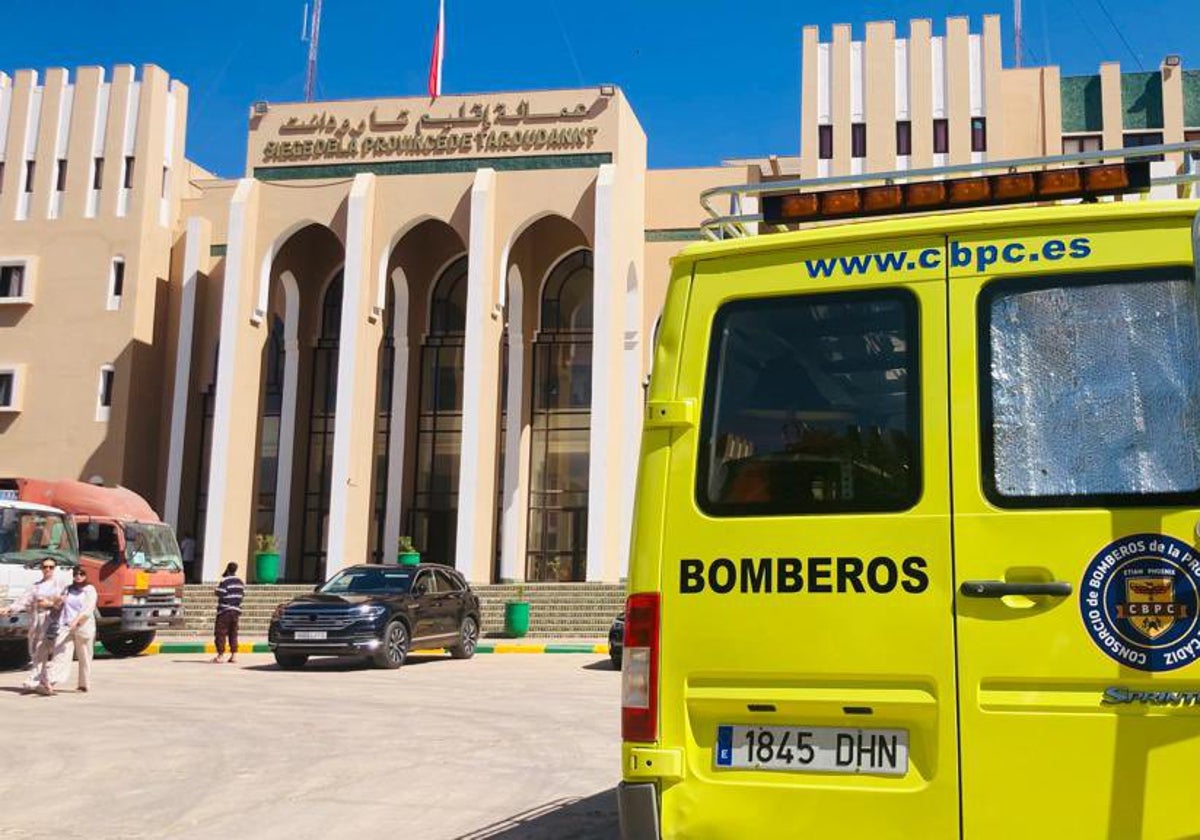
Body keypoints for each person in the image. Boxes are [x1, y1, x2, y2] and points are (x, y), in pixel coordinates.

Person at [0, 556, 65, 693]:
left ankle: (43, 680)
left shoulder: (60, 584)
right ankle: (41, 681)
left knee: (50, 652)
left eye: (51, 567)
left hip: (53, 621)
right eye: (45, 567)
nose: (47, 569)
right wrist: (9, 609)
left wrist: (51, 603)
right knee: (35, 650)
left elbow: (64, 601)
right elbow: (24, 600)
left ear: (55, 569)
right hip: (37, 621)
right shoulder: (36, 586)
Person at [46, 566, 98, 693]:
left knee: (84, 656)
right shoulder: (68, 589)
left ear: (86, 576)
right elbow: (58, 605)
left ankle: (83, 684)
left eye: (82, 574)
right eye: (76, 574)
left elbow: (88, 608)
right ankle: (51, 681)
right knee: (60, 654)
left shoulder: (89, 590)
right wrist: (57, 602)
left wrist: (77, 620)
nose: (78, 576)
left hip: (83, 627)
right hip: (66, 626)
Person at [213, 562, 245, 664]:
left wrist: (215, 590)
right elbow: (242, 595)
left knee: (220, 633)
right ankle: (234, 654)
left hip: (224, 611)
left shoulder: (225, 581)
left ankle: (220, 655)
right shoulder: (240, 582)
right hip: (236, 611)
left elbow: (220, 592)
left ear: (227, 569)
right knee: (233, 633)